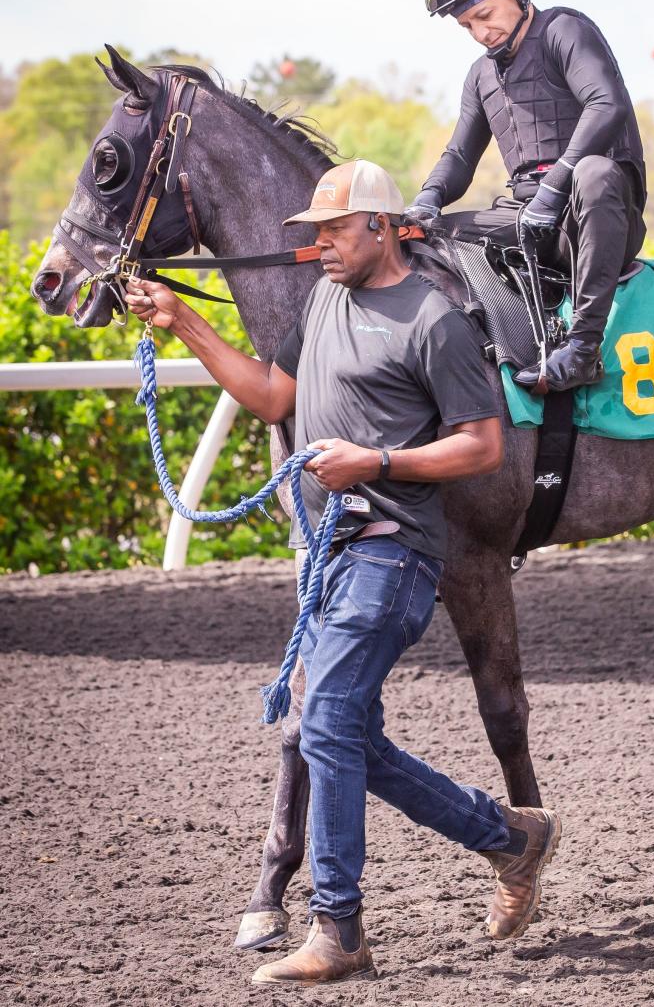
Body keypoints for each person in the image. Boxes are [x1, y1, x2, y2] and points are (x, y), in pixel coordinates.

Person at [124, 159, 562, 987]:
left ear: (383, 226)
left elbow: (484, 445)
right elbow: (269, 396)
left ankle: (340, 928)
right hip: (332, 553)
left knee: (322, 717)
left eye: (332, 230)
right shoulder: (324, 300)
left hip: (394, 551)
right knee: (346, 735)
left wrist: (378, 459)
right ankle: (510, 837)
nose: (318, 244)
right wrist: (181, 319)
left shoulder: (433, 320)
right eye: (312, 232)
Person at [407, 0, 647, 393]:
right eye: (467, 27)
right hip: (527, 218)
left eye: (486, 15)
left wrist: (556, 187)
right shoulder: (480, 76)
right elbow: (459, 153)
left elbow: (606, 104)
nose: (481, 33)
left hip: (596, 215)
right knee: (426, 236)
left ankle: (580, 351)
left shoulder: (565, 30)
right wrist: (428, 199)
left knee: (595, 173)